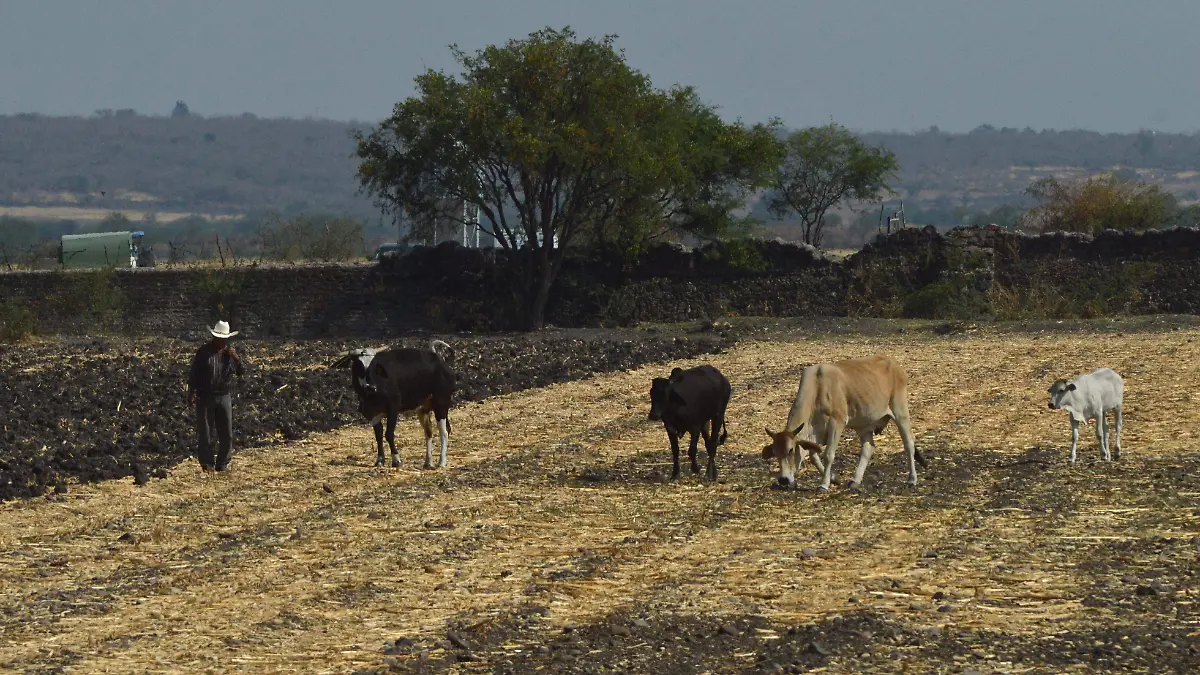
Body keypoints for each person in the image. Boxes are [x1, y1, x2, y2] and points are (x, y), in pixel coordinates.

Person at [186, 320, 245, 473]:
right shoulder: (204, 352)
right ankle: (207, 464)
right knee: (205, 433)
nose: (223, 341)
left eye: (225, 339)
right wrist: (191, 393)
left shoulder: (229, 354)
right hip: (205, 396)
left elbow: (241, 372)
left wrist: (237, 359)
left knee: (226, 433)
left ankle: (223, 463)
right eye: (220, 338)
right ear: (214, 338)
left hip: (224, 395)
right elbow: (194, 373)